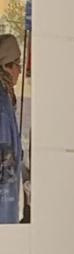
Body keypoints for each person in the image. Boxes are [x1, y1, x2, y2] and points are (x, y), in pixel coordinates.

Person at [0, 33, 25, 224]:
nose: (20, 71)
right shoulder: (2, 107)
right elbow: (5, 171)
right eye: (18, 64)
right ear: (6, 66)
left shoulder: (6, 98)